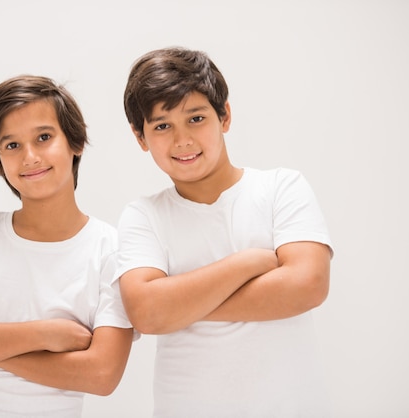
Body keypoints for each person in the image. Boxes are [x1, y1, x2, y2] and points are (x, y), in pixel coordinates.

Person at [116, 47, 334, 417]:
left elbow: (308, 284)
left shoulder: (281, 188)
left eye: (196, 118)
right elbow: (148, 313)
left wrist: (181, 305)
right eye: (162, 126)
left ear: (225, 116)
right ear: (141, 137)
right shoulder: (144, 216)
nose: (182, 139)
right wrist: (246, 264)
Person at [0, 75, 134, 417]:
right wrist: (46, 334)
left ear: (75, 142)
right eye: (12, 145)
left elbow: (101, 374)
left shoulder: (113, 250)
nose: (30, 157)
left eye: (44, 137)